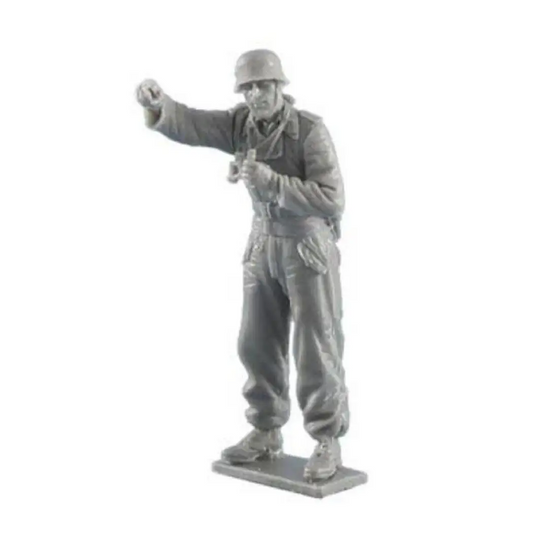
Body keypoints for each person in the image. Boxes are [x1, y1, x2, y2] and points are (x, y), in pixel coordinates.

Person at [136, 49, 349, 482]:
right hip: (262, 243)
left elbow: (332, 199)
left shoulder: (310, 131)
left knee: (316, 343)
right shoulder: (241, 125)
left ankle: (327, 437)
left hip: (306, 244)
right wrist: (161, 105)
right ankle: (265, 429)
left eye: (262, 86)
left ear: (279, 86)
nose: (255, 95)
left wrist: (273, 182)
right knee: (256, 340)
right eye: (247, 88)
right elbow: (194, 124)